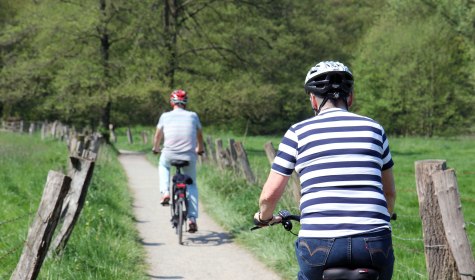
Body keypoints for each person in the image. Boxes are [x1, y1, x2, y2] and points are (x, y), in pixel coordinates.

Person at [253, 61, 396, 279]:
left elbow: (269, 195)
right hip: (374, 242)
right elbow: (390, 193)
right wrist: (384, 214)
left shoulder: (298, 132)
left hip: (319, 243)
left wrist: (264, 217)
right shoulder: (375, 129)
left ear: (312, 99)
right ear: (350, 97)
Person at [152, 89, 204, 233]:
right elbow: (199, 136)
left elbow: (157, 137)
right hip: (189, 156)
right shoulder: (193, 116)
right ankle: (192, 218)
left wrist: (156, 148)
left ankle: (165, 193)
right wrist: (200, 149)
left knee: (163, 165)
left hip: (169, 154)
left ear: (171, 102)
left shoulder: (165, 116)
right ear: (185, 103)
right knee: (191, 184)